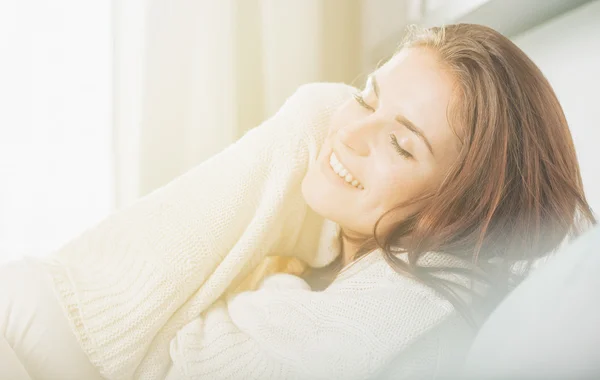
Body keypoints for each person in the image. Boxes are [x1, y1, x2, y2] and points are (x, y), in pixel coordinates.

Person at [0, 23, 595, 380]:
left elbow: (189, 364)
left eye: (400, 144)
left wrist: (297, 134)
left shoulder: (427, 294)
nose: (348, 133)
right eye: (366, 97)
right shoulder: (354, 262)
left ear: (459, 208)